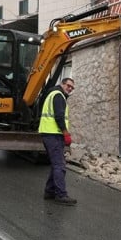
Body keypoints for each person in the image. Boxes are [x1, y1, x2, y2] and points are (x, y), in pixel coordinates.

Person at [39, 77, 77, 205]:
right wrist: (66, 134)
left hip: (49, 134)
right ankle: (61, 195)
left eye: (72, 88)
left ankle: (49, 191)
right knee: (60, 165)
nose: (70, 88)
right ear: (62, 84)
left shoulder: (52, 94)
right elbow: (59, 116)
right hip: (53, 134)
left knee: (56, 164)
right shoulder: (58, 95)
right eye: (68, 85)